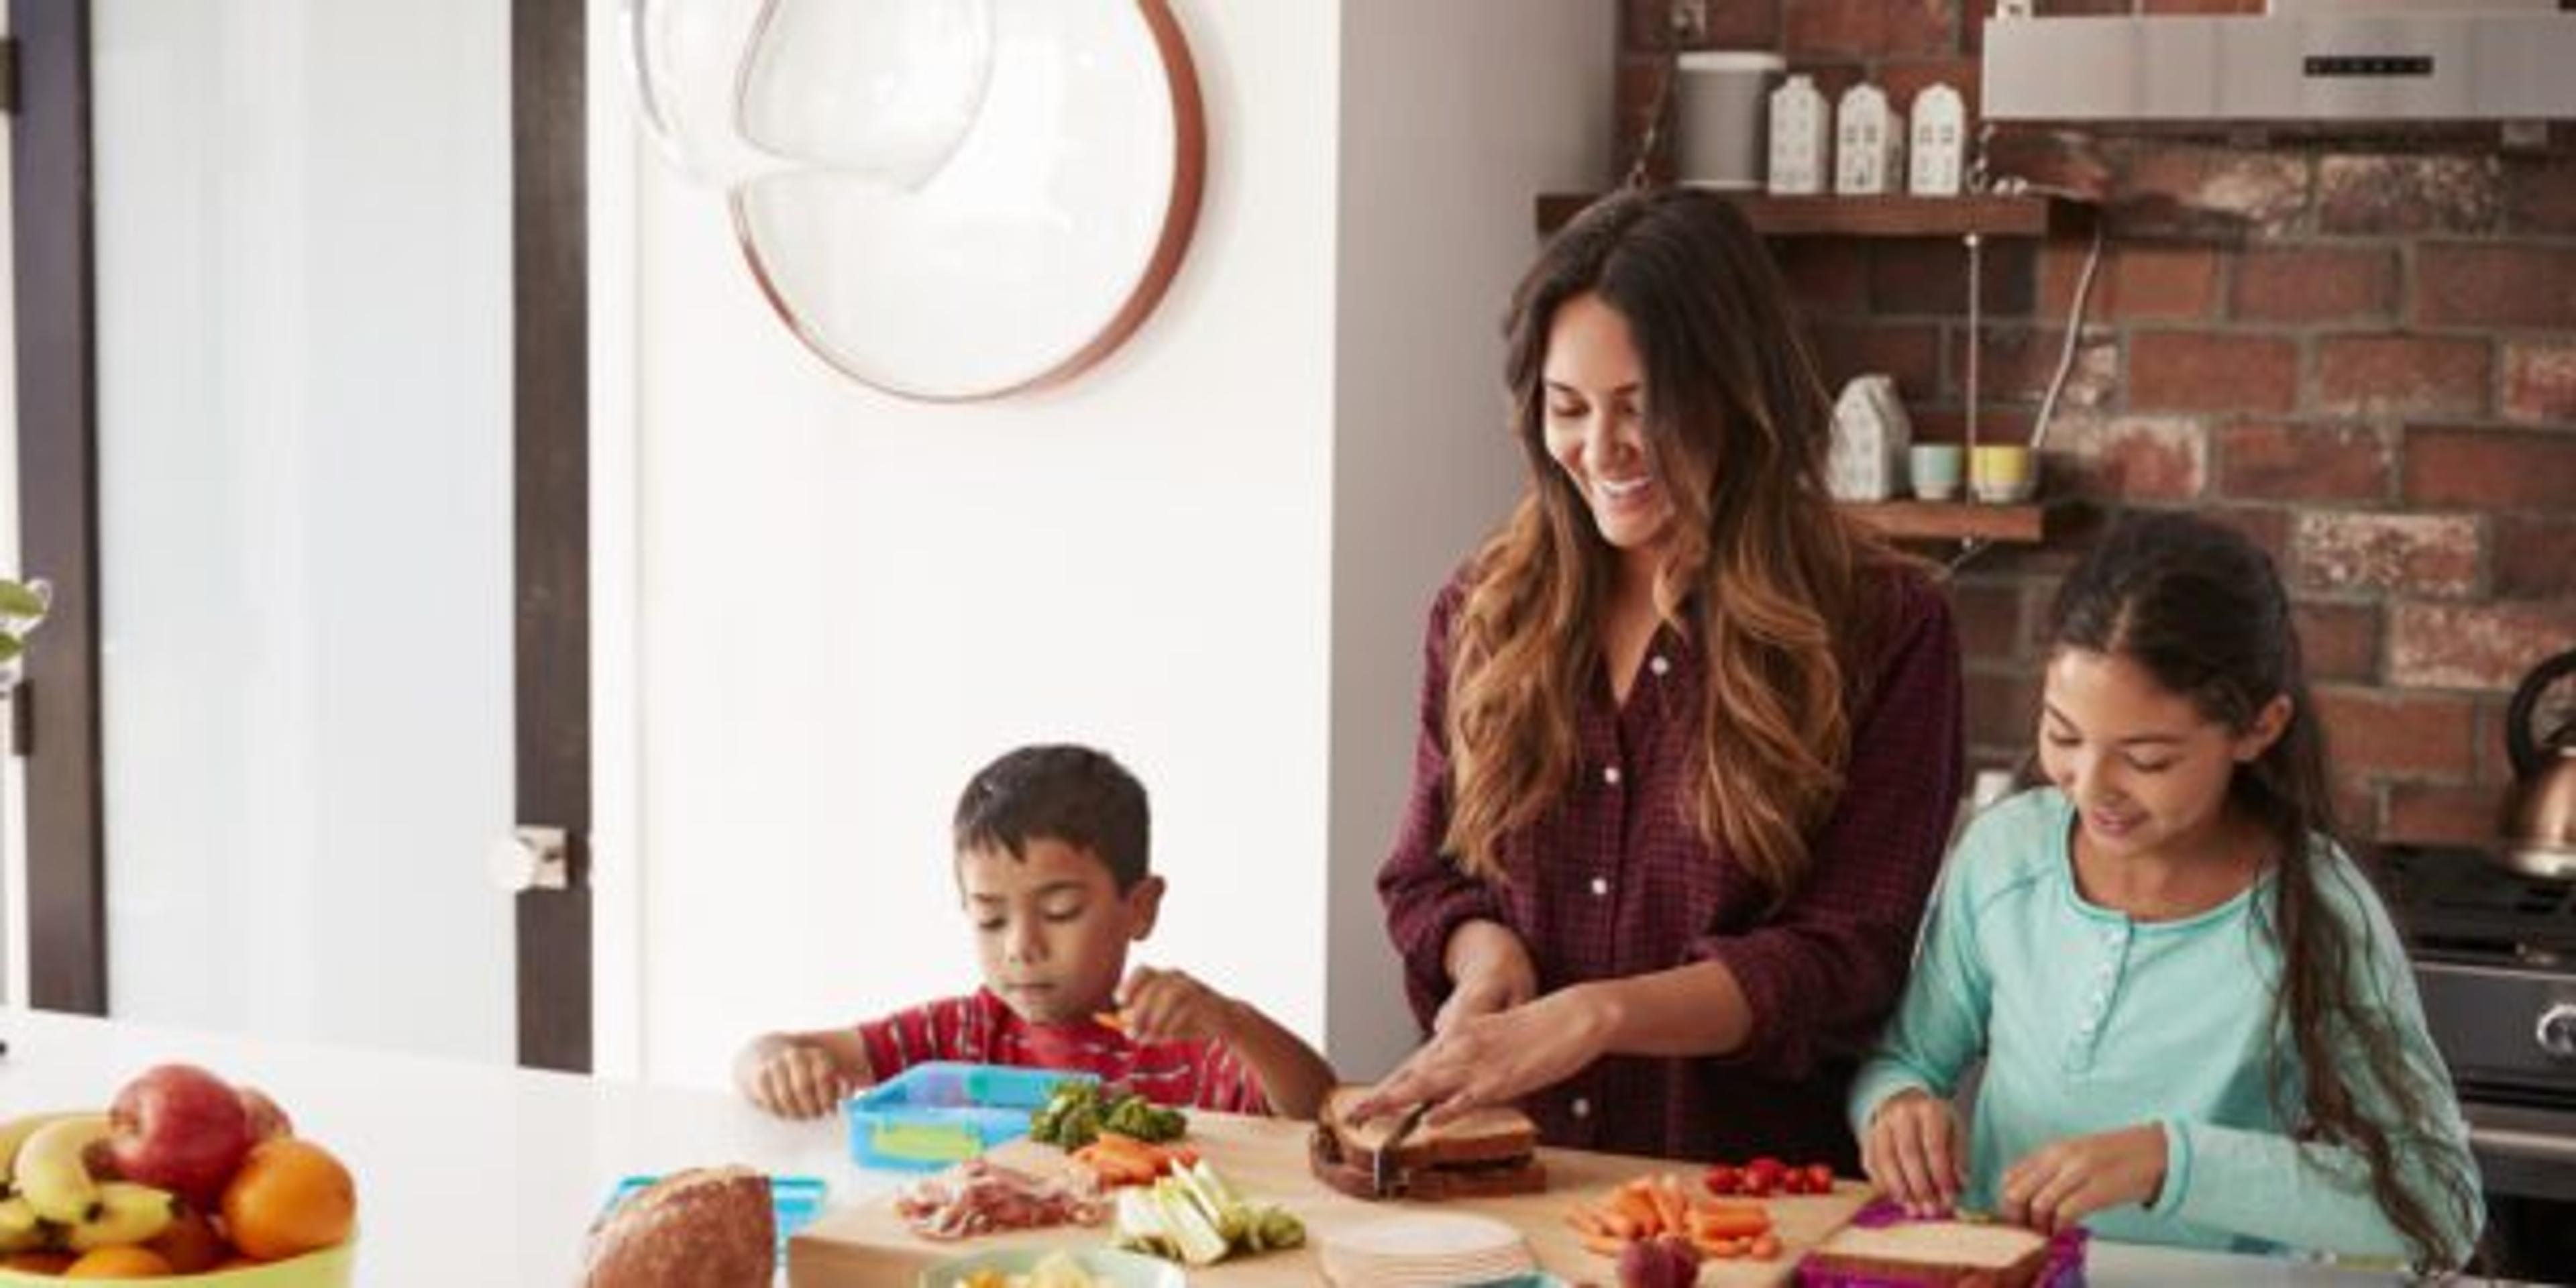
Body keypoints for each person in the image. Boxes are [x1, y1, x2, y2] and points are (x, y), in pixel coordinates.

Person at [1362, 186, 1965, 1169]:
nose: (1600, 452)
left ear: (1737, 392)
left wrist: (1601, 1016)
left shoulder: (1883, 627)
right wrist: (1487, 962)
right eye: (1568, 409)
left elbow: (1845, 957)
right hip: (1511, 1184)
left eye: (1642, 409)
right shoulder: (1483, 610)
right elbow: (1427, 877)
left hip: (1748, 1201)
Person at [1852, 513, 2482, 1270]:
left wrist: (2172, 1163)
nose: (2091, 788)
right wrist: (1895, 1110)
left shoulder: (2318, 913)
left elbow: (2438, 1204)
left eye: (2146, 759)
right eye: (2062, 735)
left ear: (2258, 729)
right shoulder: (2005, 854)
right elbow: (1905, 1060)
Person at [735, 743, 1337, 1122]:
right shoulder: (962, 1034)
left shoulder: (1179, 1045)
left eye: (1060, 912)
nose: (1020, 946)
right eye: (991, 918)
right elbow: (772, 1050)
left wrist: (1233, 1022)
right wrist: (776, 1066)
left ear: (1141, 907)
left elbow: (1318, 1107)